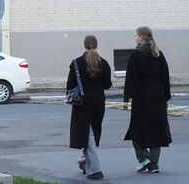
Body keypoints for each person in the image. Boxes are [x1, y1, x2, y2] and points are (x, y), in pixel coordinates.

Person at [123, 26, 172, 174]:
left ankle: (144, 159)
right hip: (158, 96)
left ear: (142, 37)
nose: (135, 38)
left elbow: (131, 79)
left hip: (141, 97)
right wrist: (166, 97)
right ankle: (154, 164)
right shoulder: (159, 54)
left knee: (136, 129)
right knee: (157, 130)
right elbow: (165, 77)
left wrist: (126, 98)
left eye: (137, 36)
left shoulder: (136, 55)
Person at [67, 35, 112, 180]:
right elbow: (107, 84)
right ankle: (84, 162)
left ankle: (95, 170)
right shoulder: (103, 63)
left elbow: (70, 85)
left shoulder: (77, 63)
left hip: (83, 103)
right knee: (92, 134)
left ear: (84, 45)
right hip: (99, 102)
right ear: (96, 45)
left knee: (87, 135)